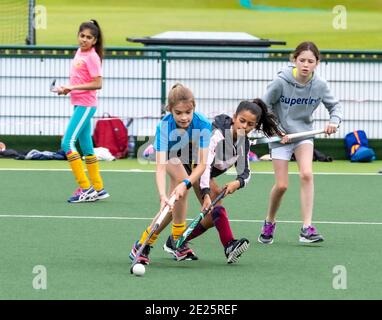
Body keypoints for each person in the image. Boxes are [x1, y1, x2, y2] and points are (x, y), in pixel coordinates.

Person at [163, 99, 282, 264]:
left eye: (250, 124)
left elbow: (245, 173)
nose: (244, 126)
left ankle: (175, 242)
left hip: (205, 173)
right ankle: (229, 245)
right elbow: (204, 166)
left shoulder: (243, 144)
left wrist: (236, 183)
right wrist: (205, 193)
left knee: (212, 218)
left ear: (254, 126)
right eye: (241, 121)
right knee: (217, 210)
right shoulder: (218, 135)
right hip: (191, 165)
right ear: (234, 117)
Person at [257, 41, 342, 244]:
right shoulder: (280, 82)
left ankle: (306, 228)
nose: (305, 65)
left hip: (303, 134)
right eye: (302, 60)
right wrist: (276, 130)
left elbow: (335, 106)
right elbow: (262, 107)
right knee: (282, 185)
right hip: (279, 137)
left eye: (310, 61)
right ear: (294, 60)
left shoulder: (320, 85)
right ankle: (269, 222)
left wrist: (334, 121)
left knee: (306, 174)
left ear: (317, 63)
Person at [129, 83, 212, 265]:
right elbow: (160, 167)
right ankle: (162, 243)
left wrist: (185, 184)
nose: (184, 117)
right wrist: (162, 195)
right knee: (174, 195)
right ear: (170, 110)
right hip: (166, 155)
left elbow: (202, 164)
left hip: (186, 156)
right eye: (178, 113)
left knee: (179, 195)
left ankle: (152, 243)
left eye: (188, 112)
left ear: (194, 108)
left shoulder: (203, 124)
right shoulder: (164, 126)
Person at [56, 20, 109, 203]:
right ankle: (99, 188)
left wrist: (71, 87)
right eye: (82, 36)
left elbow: (98, 83)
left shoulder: (92, 56)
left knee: (67, 143)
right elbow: (79, 80)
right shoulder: (80, 52)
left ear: (95, 40)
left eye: (89, 37)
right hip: (79, 103)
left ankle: (85, 188)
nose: (84, 40)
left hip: (86, 104)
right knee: (86, 147)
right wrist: (67, 89)